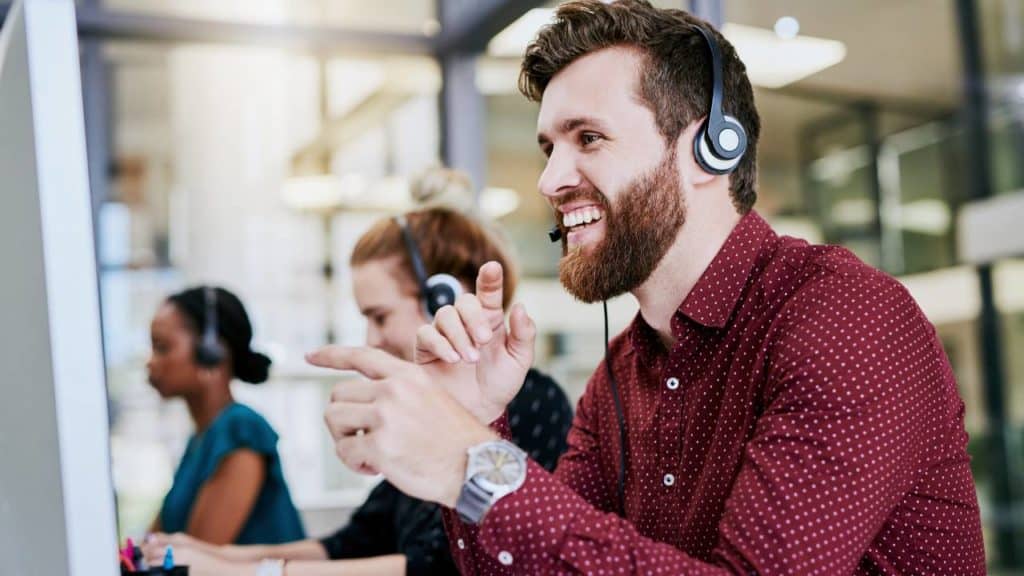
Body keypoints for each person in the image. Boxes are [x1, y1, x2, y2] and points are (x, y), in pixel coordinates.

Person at [310, 1, 987, 574]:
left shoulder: (845, 317)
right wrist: (479, 423)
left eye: (589, 137)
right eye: (550, 147)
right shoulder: (619, 376)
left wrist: (475, 465)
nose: (549, 182)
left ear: (707, 151)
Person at [144, 207, 574, 576]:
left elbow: (437, 566)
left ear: (443, 301)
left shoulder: (531, 403)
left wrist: (244, 571)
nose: (371, 339)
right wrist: (209, 555)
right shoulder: (428, 416)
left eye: (380, 316)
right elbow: (353, 542)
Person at [148, 286, 305, 545]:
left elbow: (197, 557)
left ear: (211, 351)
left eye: (162, 347)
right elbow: (151, 546)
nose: (151, 362)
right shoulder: (200, 439)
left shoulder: (240, 429)